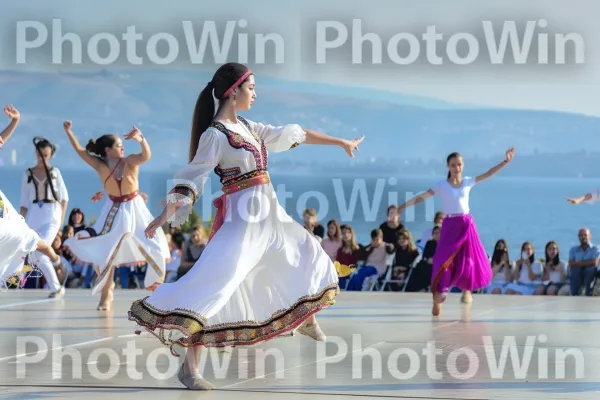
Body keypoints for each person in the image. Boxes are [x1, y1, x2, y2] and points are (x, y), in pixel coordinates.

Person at [127, 62, 363, 390]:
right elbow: (193, 176)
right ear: (233, 90)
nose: (255, 93)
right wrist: (164, 216)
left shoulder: (249, 126)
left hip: (272, 219)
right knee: (216, 288)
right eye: (251, 88)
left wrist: (341, 142)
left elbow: (296, 134)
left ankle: (306, 317)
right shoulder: (215, 134)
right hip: (244, 224)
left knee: (309, 251)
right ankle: (189, 369)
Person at [61, 121, 170, 310]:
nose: (123, 148)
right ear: (107, 150)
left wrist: (141, 139)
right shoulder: (100, 165)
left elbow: (146, 155)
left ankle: (157, 289)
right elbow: (79, 150)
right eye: (119, 145)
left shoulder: (129, 161)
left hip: (134, 208)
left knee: (154, 244)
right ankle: (106, 292)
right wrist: (69, 132)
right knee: (107, 249)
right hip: (112, 209)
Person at [396, 148, 515, 316]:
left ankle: (467, 290)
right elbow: (422, 197)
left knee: (469, 259)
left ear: (463, 165)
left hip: (466, 224)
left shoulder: (468, 182)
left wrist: (505, 162)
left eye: (459, 165)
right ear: (448, 166)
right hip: (450, 225)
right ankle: (439, 294)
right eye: (453, 165)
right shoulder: (441, 185)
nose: (456, 168)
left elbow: (488, 174)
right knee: (442, 260)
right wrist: (403, 206)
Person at [0, 105, 62, 286]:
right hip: (34, 211)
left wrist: (15, 121)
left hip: (44, 213)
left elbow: (1, 138)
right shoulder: (29, 174)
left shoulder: (55, 173)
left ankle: (53, 257)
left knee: (24, 235)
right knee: (26, 239)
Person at [19, 136, 68, 297]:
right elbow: (24, 203)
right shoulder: (28, 174)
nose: (42, 158)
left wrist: (60, 222)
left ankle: (56, 267)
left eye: (46, 155)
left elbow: (64, 199)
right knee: (35, 255)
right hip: (34, 215)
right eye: (40, 155)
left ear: (50, 155)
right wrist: (20, 223)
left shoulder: (55, 173)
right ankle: (57, 280)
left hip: (52, 215)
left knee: (41, 252)